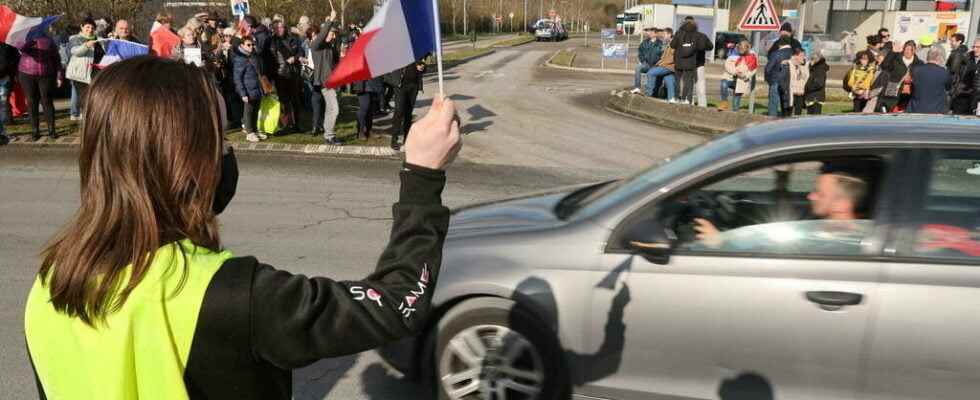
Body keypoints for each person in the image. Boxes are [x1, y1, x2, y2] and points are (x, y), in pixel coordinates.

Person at [24, 55, 462, 400]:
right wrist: (422, 176)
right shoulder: (236, 294)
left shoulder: (48, 286)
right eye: (220, 140)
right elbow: (399, 302)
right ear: (188, 162)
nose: (227, 154)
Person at [695, 168, 870, 248]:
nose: (810, 196)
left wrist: (722, 242)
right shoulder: (829, 230)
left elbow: (770, 249)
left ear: (841, 205)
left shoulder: (839, 244)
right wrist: (781, 186)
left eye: (819, 193)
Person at [18, 29, 63, 141]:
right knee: (31, 101)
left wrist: (59, 75)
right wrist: (30, 42)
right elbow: (21, 50)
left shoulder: (49, 40)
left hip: (46, 74)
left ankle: (51, 130)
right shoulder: (24, 39)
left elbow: (56, 59)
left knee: (47, 101)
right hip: (27, 73)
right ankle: (35, 130)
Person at [310, 11, 342, 145]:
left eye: (334, 34)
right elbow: (322, 35)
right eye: (331, 33)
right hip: (324, 83)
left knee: (331, 109)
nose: (333, 36)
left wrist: (332, 22)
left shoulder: (330, 47)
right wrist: (330, 21)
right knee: (334, 109)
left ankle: (329, 134)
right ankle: (329, 135)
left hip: (334, 82)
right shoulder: (316, 45)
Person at [271, 21, 303, 133]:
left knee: (295, 100)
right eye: (277, 28)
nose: (280, 29)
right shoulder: (271, 41)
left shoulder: (293, 38)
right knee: (284, 101)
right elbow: (269, 58)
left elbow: (301, 52)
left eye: (281, 27)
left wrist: (295, 58)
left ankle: (297, 124)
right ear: (274, 29)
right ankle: (286, 125)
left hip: (293, 73)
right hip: (279, 74)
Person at [233, 37, 267, 142]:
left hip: (257, 88)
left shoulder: (253, 56)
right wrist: (243, 93)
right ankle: (249, 132)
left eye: (252, 44)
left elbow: (259, 72)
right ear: (242, 45)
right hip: (248, 89)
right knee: (248, 111)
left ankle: (255, 130)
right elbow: (237, 78)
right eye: (248, 45)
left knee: (256, 110)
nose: (251, 47)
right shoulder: (240, 59)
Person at [671, 17, 712, 105]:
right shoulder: (701, 35)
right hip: (697, 63)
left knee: (683, 82)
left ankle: (682, 99)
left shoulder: (678, 34)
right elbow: (709, 47)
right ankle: (700, 105)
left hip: (682, 63)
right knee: (699, 87)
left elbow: (673, 45)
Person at [66, 18, 102, 119]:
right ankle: (77, 113)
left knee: (92, 94)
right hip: (79, 72)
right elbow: (76, 52)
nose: (90, 29)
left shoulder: (98, 39)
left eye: (92, 27)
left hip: (95, 72)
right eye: (87, 27)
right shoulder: (75, 38)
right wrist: (86, 45)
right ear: (82, 27)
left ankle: (88, 114)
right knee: (81, 95)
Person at [877, 40, 922, 113]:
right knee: (888, 108)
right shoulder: (896, 58)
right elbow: (884, 66)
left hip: (909, 89)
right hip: (893, 86)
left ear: (914, 50)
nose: (907, 51)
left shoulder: (919, 63)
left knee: (905, 110)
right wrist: (893, 52)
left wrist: (912, 80)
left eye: (910, 49)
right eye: (906, 49)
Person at [391, 58, 426, 150]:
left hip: (413, 86)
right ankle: (394, 139)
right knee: (399, 111)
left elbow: (423, 66)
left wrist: (422, 67)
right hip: (400, 85)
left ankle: (407, 139)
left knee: (408, 113)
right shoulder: (398, 51)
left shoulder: (417, 51)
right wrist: (394, 80)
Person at [908, 47, 952, 114]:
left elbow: (912, 88)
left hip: (916, 109)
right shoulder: (944, 72)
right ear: (939, 57)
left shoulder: (916, 70)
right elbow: (948, 88)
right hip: (937, 110)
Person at [721, 40, 757, 112]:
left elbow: (753, 69)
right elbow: (727, 65)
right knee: (723, 84)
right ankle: (724, 102)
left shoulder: (751, 57)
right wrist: (735, 71)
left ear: (747, 49)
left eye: (743, 49)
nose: (741, 50)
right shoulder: (733, 55)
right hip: (730, 77)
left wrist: (745, 75)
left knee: (736, 100)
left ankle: (735, 114)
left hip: (741, 80)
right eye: (740, 49)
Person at [947, 33, 975, 115]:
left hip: (955, 86)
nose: (950, 43)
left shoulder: (958, 53)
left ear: (959, 42)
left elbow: (953, 70)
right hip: (958, 86)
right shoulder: (963, 52)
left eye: (952, 41)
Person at [765, 37, 794, 117]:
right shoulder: (794, 53)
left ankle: (771, 122)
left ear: (780, 44)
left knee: (773, 104)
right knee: (786, 103)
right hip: (790, 82)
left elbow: (768, 69)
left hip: (776, 80)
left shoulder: (776, 53)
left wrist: (769, 80)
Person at [647, 28, 676, 101]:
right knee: (669, 81)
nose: (663, 36)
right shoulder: (669, 43)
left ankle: (649, 95)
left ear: (669, 34)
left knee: (650, 73)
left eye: (664, 34)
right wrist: (658, 63)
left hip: (670, 67)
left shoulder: (674, 44)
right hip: (668, 67)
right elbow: (663, 57)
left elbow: (673, 58)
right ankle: (671, 99)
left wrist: (661, 64)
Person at [630, 27, 662, 95]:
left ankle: (652, 92)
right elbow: (640, 52)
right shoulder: (645, 42)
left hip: (656, 66)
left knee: (653, 77)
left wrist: (658, 63)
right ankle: (637, 87)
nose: (649, 33)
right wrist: (643, 61)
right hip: (646, 64)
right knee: (638, 68)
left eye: (652, 32)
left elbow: (662, 55)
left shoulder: (660, 44)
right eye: (649, 32)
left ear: (656, 34)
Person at [0, 43, 17, 145]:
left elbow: (14, 60)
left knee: (3, 104)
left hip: (4, 78)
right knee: (2, 105)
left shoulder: (7, 45)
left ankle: (2, 131)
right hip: (5, 77)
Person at [804, 50, 829, 115]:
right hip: (813, 96)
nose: (810, 61)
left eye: (812, 59)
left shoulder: (820, 68)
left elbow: (819, 83)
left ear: (817, 60)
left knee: (814, 117)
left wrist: (807, 88)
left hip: (815, 97)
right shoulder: (815, 68)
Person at [787, 48, 810, 116]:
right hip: (791, 93)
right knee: (788, 114)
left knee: (798, 115)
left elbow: (806, 78)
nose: (804, 57)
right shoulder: (789, 64)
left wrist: (803, 66)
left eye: (804, 55)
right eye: (802, 55)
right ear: (795, 56)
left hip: (801, 94)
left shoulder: (804, 66)